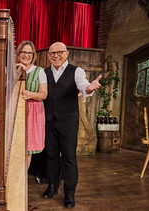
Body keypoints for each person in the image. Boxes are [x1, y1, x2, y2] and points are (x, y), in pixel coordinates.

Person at [42, 42, 101, 208]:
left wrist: (89, 88)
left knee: (69, 157)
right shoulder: (44, 72)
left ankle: (69, 193)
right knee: (51, 156)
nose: (56, 56)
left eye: (59, 52)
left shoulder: (77, 71)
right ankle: (52, 186)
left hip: (68, 121)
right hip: (49, 121)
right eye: (52, 53)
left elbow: (83, 86)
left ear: (66, 54)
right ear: (48, 56)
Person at [15, 40, 47, 170]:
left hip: (33, 112)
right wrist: (16, 72)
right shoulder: (11, 69)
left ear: (33, 55)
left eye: (29, 52)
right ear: (18, 54)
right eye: (23, 52)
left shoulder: (40, 71)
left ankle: (21, 179)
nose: (26, 55)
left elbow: (43, 94)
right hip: (16, 111)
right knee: (14, 147)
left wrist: (31, 94)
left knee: (28, 149)